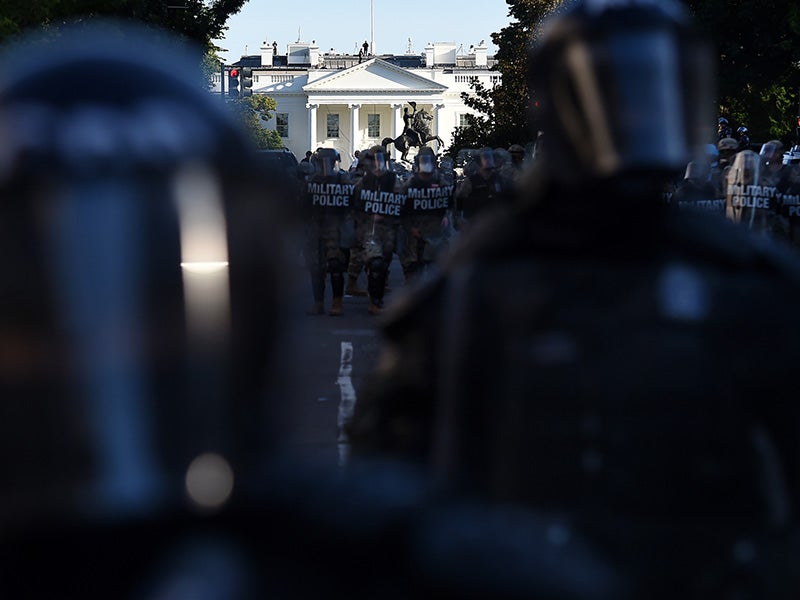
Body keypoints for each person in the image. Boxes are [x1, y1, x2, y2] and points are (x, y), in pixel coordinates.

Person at [348, 0, 800, 597]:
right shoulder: (484, 279)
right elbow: (389, 472)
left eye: (650, 91)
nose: (633, 115)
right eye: (612, 93)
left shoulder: (743, 279)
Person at [350, 145, 404, 315]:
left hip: (388, 229)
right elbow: (355, 204)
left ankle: (376, 296)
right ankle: (375, 302)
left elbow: (402, 201)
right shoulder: (363, 181)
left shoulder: (393, 179)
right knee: (376, 264)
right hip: (369, 229)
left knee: (384, 264)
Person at [399, 147, 455, 282]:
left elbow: (450, 201)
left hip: (436, 230)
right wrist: (410, 228)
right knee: (413, 268)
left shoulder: (440, 181)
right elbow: (402, 209)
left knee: (437, 268)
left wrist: (446, 217)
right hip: (416, 231)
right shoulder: (411, 183)